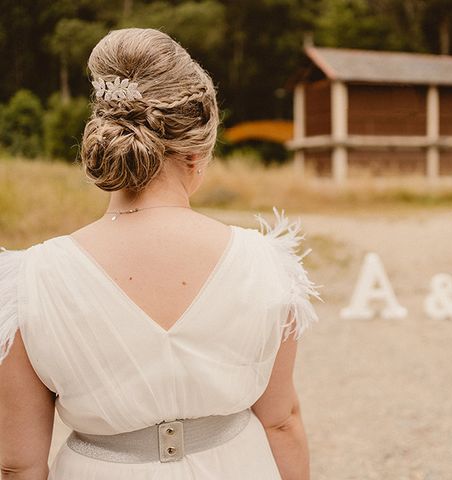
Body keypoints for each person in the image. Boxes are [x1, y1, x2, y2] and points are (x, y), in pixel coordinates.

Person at [0, 28, 319, 479]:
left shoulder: (26, 282)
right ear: (197, 153)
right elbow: (281, 421)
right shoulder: (266, 262)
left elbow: (20, 464)